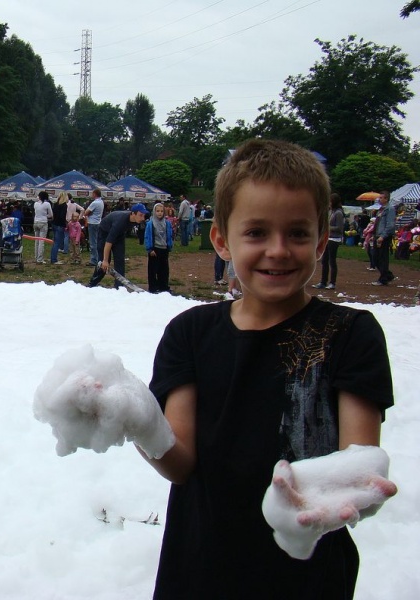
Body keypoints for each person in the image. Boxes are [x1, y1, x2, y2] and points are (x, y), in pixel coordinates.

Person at [141, 139, 396, 599]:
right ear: (222, 239)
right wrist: (136, 420)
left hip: (308, 574)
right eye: (256, 232)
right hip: (201, 567)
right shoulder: (190, 333)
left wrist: (328, 503)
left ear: (321, 240)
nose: (278, 250)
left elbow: (360, 465)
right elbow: (179, 464)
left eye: (298, 233)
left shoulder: (351, 334)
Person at [87, 203, 149, 288]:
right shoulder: (120, 222)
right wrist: (105, 260)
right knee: (103, 263)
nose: (142, 218)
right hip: (105, 233)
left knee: (120, 260)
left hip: (120, 235)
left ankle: (119, 288)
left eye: (144, 215)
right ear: (133, 213)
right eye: (140, 215)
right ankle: (92, 284)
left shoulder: (137, 220)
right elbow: (108, 242)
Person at [313, 192, 344, 290]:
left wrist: (327, 227)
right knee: (324, 260)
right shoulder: (331, 212)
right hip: (328, 238)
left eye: (330, 201)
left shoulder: (338, 213)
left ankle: (332, 282)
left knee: (332, 261)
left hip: (334, 239)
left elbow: (339, 228)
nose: (329, 203)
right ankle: (323, 281)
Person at [144, 202, 173, 293]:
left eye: (161, 211)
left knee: (164, 269)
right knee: (153, 269)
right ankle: (153, 287)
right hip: (155, 249)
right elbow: (147, 236)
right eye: (157, 211)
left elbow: (169, 235)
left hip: (164, 248)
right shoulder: (151, 223)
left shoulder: (167, 223)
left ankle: (163, 286)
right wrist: (150, 249)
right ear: (154, 212)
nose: (159, 213)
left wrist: (169, 245)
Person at [372, 190, 396, 286]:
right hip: (377, 235)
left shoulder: (390, 209)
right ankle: (387, 275)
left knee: (382, 258)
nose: (379, 199)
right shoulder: (381, 209)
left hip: (384, 236)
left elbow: (390, 225)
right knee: (375, 257)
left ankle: (383, 279)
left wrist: (383, 236)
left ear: (386, 199)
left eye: (381, 197)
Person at [83, 188, 105, 266]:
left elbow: (86, 213)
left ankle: (94, 260)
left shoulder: (94, 203)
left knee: (93, 242)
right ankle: (99, 258)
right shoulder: (101, 202)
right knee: (97, 241)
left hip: (92, 223)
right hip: (98, 222)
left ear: (95, 194)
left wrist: (87, 214)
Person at [33, 190, 53, 264]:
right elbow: (51, 215)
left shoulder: (35, 204)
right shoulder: (47, 204)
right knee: (42, 241)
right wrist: (45, 216)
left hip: (36, 222)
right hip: (43, 222)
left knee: (36, 240)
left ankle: (36, 257)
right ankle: (40, 259)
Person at [50, 191, 68, 265]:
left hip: (54, 223)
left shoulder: (55, 204)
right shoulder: (64, 205)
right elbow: (62, 216)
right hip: (60, 225)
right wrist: (65, 222)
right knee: (58, 242)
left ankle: (53, 257)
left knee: (54, 242)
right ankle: (54, 259)